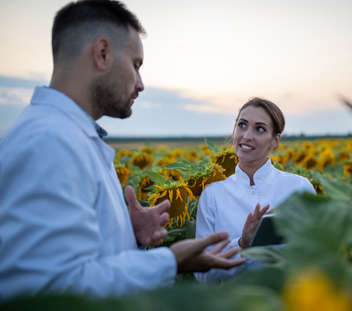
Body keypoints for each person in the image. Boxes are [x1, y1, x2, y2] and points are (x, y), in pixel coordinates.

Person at [0, 0, 244, 301]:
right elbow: (48, 290)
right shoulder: (50, 143)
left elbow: (70, 261)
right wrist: (170, 261)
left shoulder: (68, 136)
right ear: (102, 53)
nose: (140, 84)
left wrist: (123, 234)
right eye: (136, 65)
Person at [195, 97, 316, 282]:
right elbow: (203, 275)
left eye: (260, 129)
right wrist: (243, 244)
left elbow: (316, 256)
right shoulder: (212, 195)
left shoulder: (299, 188)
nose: (247, 136)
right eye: (242, 125)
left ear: (275, 141)